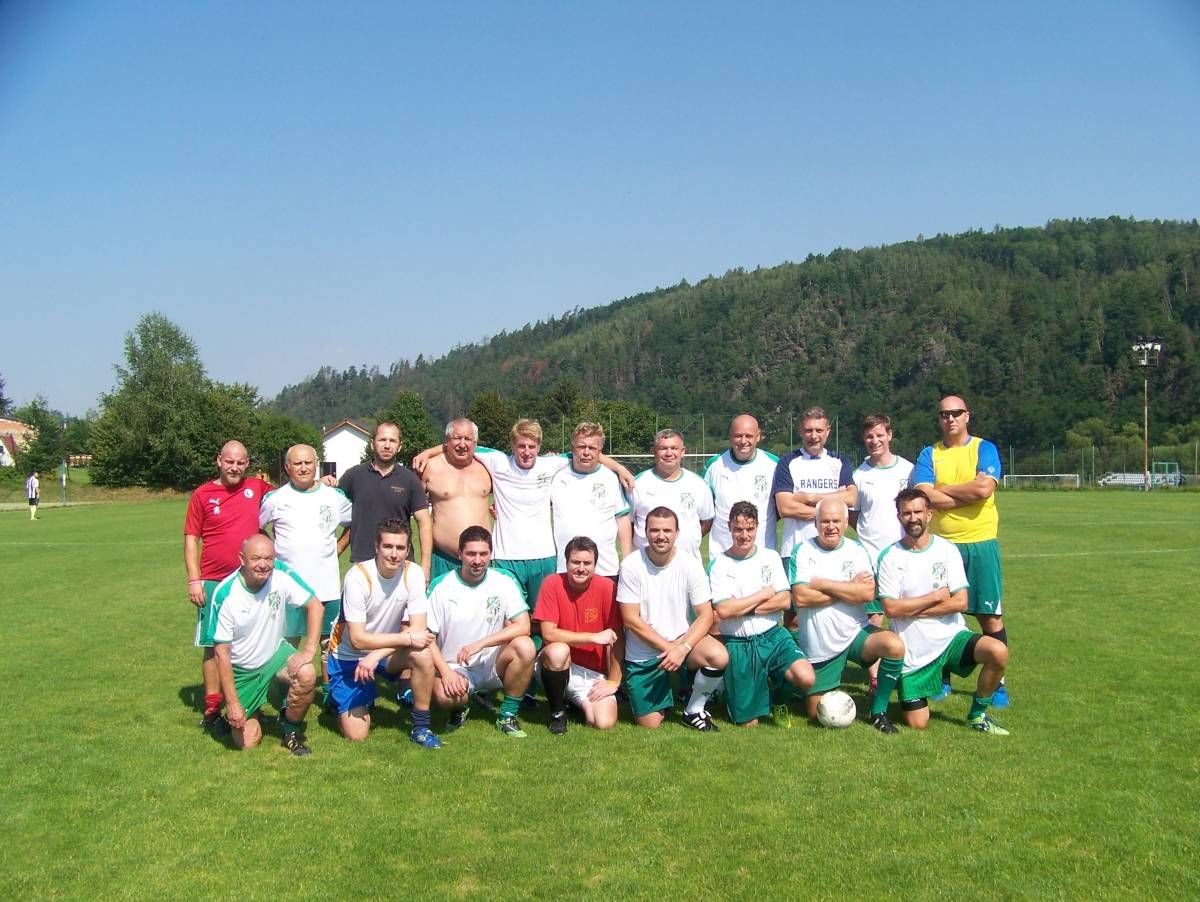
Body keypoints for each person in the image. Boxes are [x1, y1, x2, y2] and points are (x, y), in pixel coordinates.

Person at [416, 418, 634, 602]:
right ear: (512, 446)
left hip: (544, 556)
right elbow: (463, 444)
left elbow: (584, 452)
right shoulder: (498, 461)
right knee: (510, 616)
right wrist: (427, 452)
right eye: (521, 446)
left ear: (539, 447)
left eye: (532, 446)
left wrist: (619, 468)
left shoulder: (550, 464)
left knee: (542, 618)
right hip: (506, 557)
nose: (527, 452)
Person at [877, 488, 1010, 734]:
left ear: (929, 514)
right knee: (918, 723)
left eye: (918, 512)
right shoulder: (889, 557)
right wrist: (935, 597)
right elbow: (891, 608)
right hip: (914, 653)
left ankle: (978, 715)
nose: (913, 518)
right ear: (898, 517)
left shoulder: (947, 550)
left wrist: (913, 608)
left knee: (998, 651)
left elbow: (960, 602)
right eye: (906, 513)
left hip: (952, 639)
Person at [912, 394, 1009, 707]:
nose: (950, 418)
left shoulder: (984, 448)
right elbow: (925, 497)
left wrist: (942, 491)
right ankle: (941, 678)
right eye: (944, 414)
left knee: (989, 616)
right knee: (941, 613)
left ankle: (997, 684)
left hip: (981, 543)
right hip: (942, 547)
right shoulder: (929, 454)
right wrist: (967, 492)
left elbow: (984, 489)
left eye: (956, 413)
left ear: (967, 415)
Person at [788, 498, 905, 734]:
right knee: (815, 713)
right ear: (816, 522)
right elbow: (801, 597)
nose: (831, 526)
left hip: (855, 633)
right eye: (825, 521)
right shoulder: (802, 550)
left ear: (845, 522)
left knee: (894, 645)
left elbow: (867, 593)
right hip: (820, 645)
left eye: (836, 521)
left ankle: (878, 711)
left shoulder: (857, 550)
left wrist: (822, 584)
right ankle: (787, 685)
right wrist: (849, 587)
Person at [326, 518, 441, 748]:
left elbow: (418, 629)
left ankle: (421, 727)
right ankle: (340, 699)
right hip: (348, 657)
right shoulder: (358, 577)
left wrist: (376, 655)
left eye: (400, 547)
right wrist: (405, 638)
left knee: (423, 654)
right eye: (388, 546)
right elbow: (357, 639)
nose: (394, 554)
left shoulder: (413, 573)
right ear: (376, 547)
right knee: (357, 735)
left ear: (408, 549)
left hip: (383, 653)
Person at [184, 440, 273, 733]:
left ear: (247, 464)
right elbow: (191, 538)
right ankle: (213, 709)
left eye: (240, 462)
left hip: (249, 580)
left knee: (253, 641)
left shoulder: (257, 488)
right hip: (212, 580)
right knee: (213, 645)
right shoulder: (202, 494)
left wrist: (322, 482)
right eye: (229, 461)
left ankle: (252, 701)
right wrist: (194, 579)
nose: (234, 467)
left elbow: (290, 494)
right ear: (219, 461)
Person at [618, 506, 728, 731]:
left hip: (681, 643)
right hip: (643, 653)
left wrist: (682, 647)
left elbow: (705, 615)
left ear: (677, 533)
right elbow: (630, 619)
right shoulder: (631, 565)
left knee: (718, 656)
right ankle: (666, 691)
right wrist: (670, 649)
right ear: (645, 532)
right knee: (650, 724)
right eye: (654, 530)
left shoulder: (690, 564)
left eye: (667, 530)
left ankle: (693, 709)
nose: (661, 536)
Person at [211, 534, 323, 755]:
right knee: (248, 742)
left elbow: (315, 606)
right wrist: (232, 704)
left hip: (275, 657)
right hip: (242, 671)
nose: (263, 564)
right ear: (242, 559)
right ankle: (247, 709)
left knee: (307, 673)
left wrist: (309, 650)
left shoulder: (281, 576)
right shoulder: (226, 594)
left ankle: (290, 731)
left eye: (268, 558)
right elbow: (221, 655)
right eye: (256, 559)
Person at [709, 502, 814, 727]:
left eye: (749, 529)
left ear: (757, 527)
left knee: (806, 677)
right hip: (739, 644)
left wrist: (741, 607)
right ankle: (731, 690)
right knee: (749, 724)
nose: (744, 535)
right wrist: (763, 595)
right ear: (729, 527)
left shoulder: (770, 557)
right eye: (738, 529)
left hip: (773, 636)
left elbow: (784, 600)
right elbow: (724, 610)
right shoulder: (719, 564)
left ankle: (778, 700)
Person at [426, 526, 536, 738]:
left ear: (491, 554)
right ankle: (460, 707)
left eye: (483, 554)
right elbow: (427, 637)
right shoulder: (442, 586)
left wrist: (480, 644)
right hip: (456, 666)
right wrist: (446, 673)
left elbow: (523, 626)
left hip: (493, 663)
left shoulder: (503, 580)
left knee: (526, 646)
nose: (477, 560)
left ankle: (507, 715)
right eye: (471, 554)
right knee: (444, 696)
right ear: (460, 554)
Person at [259, 444, 352, 643]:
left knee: (330, 647)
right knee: (285, 647)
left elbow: (356, 522)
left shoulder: (334, 497)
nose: (303, 468)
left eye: (308, 462)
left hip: (326, 588)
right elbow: (255, 528)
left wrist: (340, 546)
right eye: (297, 463)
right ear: (287, 467)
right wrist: (268, 552)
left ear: (316, 465)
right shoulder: (274, 499)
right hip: (287, 588)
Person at [849, 413, 913, 692]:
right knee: (874, 618)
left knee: (905, 615)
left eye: (879, 435)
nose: (874, 441)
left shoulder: (908, 471)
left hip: (903, 558)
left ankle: (908, 669)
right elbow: (854, 516)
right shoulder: (859, 475)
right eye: (869, 436)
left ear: (889, 435)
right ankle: (875, 678)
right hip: (870, 558)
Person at [534, 536, 624, 733]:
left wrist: (613, 682)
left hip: (592, 673)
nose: (581, 568)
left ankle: (573, 702)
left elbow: (617, 639)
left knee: (602, 723)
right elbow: (548, 634)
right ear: (566, 562)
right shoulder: (552, 583)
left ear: (595, 565)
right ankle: (557, 714)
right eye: (575, 562)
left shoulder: (608, 588)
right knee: (558, 651)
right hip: (559, 664)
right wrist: (592, 637)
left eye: (587, 563)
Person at [337, 422, 433, 580]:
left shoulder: (410, 480)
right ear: (372, 444)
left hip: (399, 563)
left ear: (399, 446)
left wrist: (425, 567)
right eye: (382, 440)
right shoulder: (353, 476)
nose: (387, 445)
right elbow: (331, 511)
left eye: (392, 441)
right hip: (363, 563)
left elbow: (424, 522)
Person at [549, 422, 633, 579]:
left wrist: (627, 560)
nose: (586, 452)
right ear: (572, 448)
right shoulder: (557, 476)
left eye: (592, 448)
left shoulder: (611, 478)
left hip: (606, 570)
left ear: (600, 451)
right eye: (581, 447)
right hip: (565, 569)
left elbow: (622, 520)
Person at [772, 407, 857, 560]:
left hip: (833, 551)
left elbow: (851, 498)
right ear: (800, 431)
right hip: (795, 551)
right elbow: (785, 508)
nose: (814, 436)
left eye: (819, 430)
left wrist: (809, 497)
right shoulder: (787, 462)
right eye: (808, 430)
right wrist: (834, 504)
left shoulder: (840, 461)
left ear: (828, 431)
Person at [416, 419, 493, 582]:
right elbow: (416, 513)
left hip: (481, 559)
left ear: (475, 442)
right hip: (443, 559)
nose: (462, 444)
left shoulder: (487, 466)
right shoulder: (429, 467)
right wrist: (425, 565)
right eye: (457, 438)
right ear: (447, 440)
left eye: (468, 439)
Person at [629, 430, 715, 562]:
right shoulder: (637, 484)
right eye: (663, 448)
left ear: (682, 451)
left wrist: (687, 538)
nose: (669, 453)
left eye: (674, 448)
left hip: (687, 564)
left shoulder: (699, 485)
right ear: (654, 451)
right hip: (647, 564)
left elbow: (707, 520)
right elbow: (627, 523)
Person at [702, 414, 779, 555]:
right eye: (738, 436)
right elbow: (702, 510)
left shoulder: (774, 464)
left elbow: (781, 507)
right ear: (730, 436)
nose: (743, 441)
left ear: (758, 436)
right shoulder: (714, 465)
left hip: (763, 554)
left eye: (748, 436)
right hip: (722, 555)